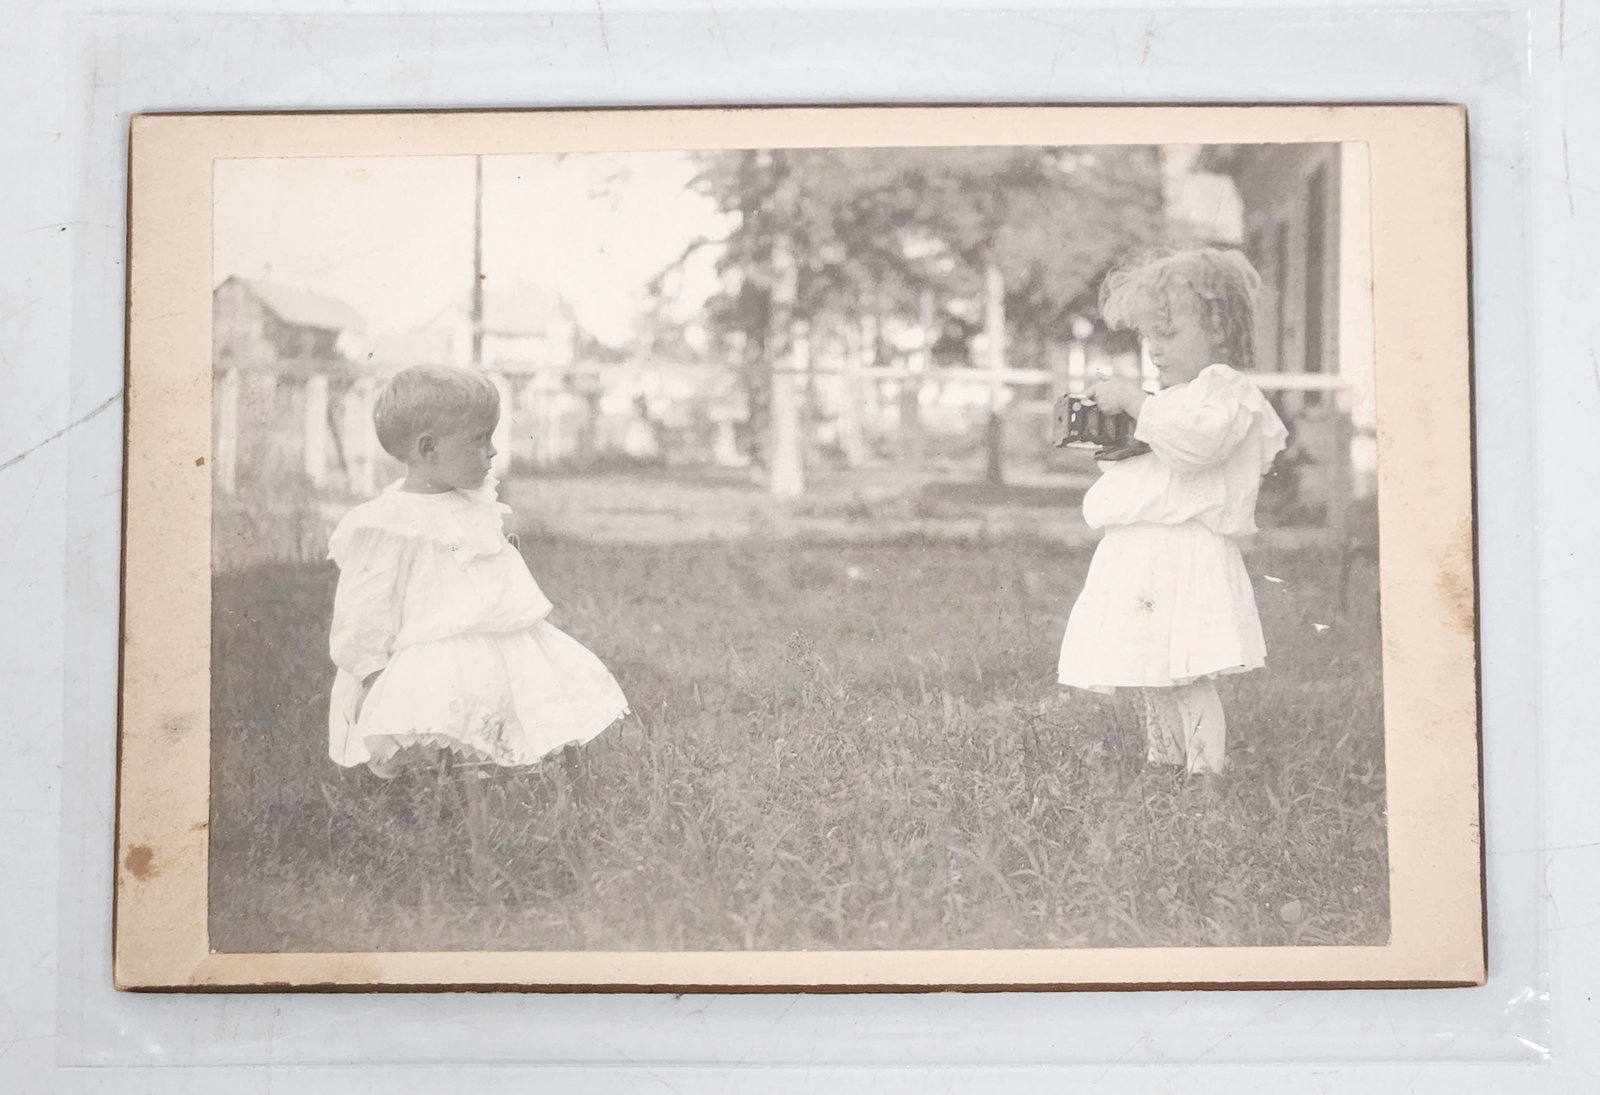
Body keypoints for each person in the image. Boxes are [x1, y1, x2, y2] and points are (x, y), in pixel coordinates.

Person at [326, 365, 628, 777]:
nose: (492, 451)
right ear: (429, 449)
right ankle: (433, 780)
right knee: (436, 714)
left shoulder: (477, 505)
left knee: (508, 685)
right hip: (426, 655)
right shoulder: (388, 523)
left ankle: (491, 767)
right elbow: (363, 611)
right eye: (479, 440)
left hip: (486, 641)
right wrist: (371, 675)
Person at [1057, 249, 1288, 775]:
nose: (1155, 349)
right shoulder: (1177, 398)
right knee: (1148, 667)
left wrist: (1137, 404)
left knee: (1187, 673)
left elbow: (1196, 446)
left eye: (1168, 333)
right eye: (1148, 336)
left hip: (1186, 550)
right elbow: (1153, 462)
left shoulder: (1225, 392)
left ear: (1219, 331)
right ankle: (1163, 764)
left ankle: (1205, 773)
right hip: (1142, 551)